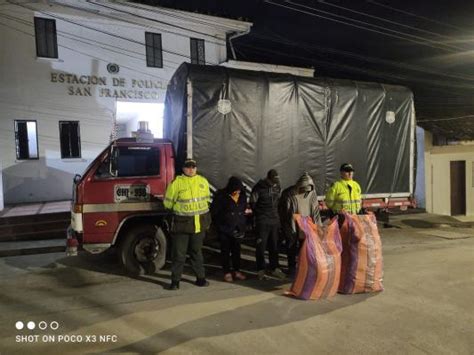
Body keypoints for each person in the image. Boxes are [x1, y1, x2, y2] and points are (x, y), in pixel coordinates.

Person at [164, 159, 212, 290]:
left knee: (197, 253)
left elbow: (207, 200)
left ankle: (201, 279)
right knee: (179, 255)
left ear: (196, 168)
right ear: (183, 169)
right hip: (182, 225)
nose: (191, 169)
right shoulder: (176, 183)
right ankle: (175, 282)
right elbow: (167, 203)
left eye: (193, 167)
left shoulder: (203, 181)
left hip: (198, 224)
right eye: (188, 167)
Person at [279, 172, 322, 275]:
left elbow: (315, 211)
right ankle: (292, 266)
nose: (306, 190)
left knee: (306, 246)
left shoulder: (312, 194)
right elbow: (283, 210)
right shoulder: (289, 193)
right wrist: (287, 222)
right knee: (291, 245)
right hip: (292, 224)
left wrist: (318, 227)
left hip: (306, 224)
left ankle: (305, 265)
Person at [211, 176, 248, 282]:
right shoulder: (221, 196)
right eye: (235, 191)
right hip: (225, 228)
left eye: (239, 191)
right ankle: (226, 272)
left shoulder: (242, 196)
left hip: (238, 228)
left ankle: (237, 271)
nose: (237, 193)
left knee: (236, 251)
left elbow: (244, 208)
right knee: (225, 251)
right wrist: (218, 225)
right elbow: (214, 212)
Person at [250, 169, 285, 280]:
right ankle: (261, 269)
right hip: (262, 221)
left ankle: (274, 267)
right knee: (261, 246)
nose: (275, 182)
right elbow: (252, 202)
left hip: (274, 221)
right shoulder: (258, 188)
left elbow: (279, 201)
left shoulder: (277, 186)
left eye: (276, 180)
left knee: (274, 245)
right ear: (268, 178)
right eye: (273, 180)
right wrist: (259, 214)